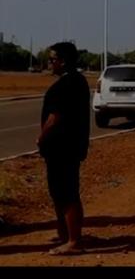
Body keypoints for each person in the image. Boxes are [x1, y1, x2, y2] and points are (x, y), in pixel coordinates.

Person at [37, 42, 90, 255]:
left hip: (63, 149)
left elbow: (55, 117)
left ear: (63, 61)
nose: (49, 63)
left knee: (66, 193)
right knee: (60, 193)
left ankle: (74, 241)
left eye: (52, 59)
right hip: (66, 148)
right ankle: (66, 234)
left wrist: (41, 138)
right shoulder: (77, 81)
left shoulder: (67, 85)